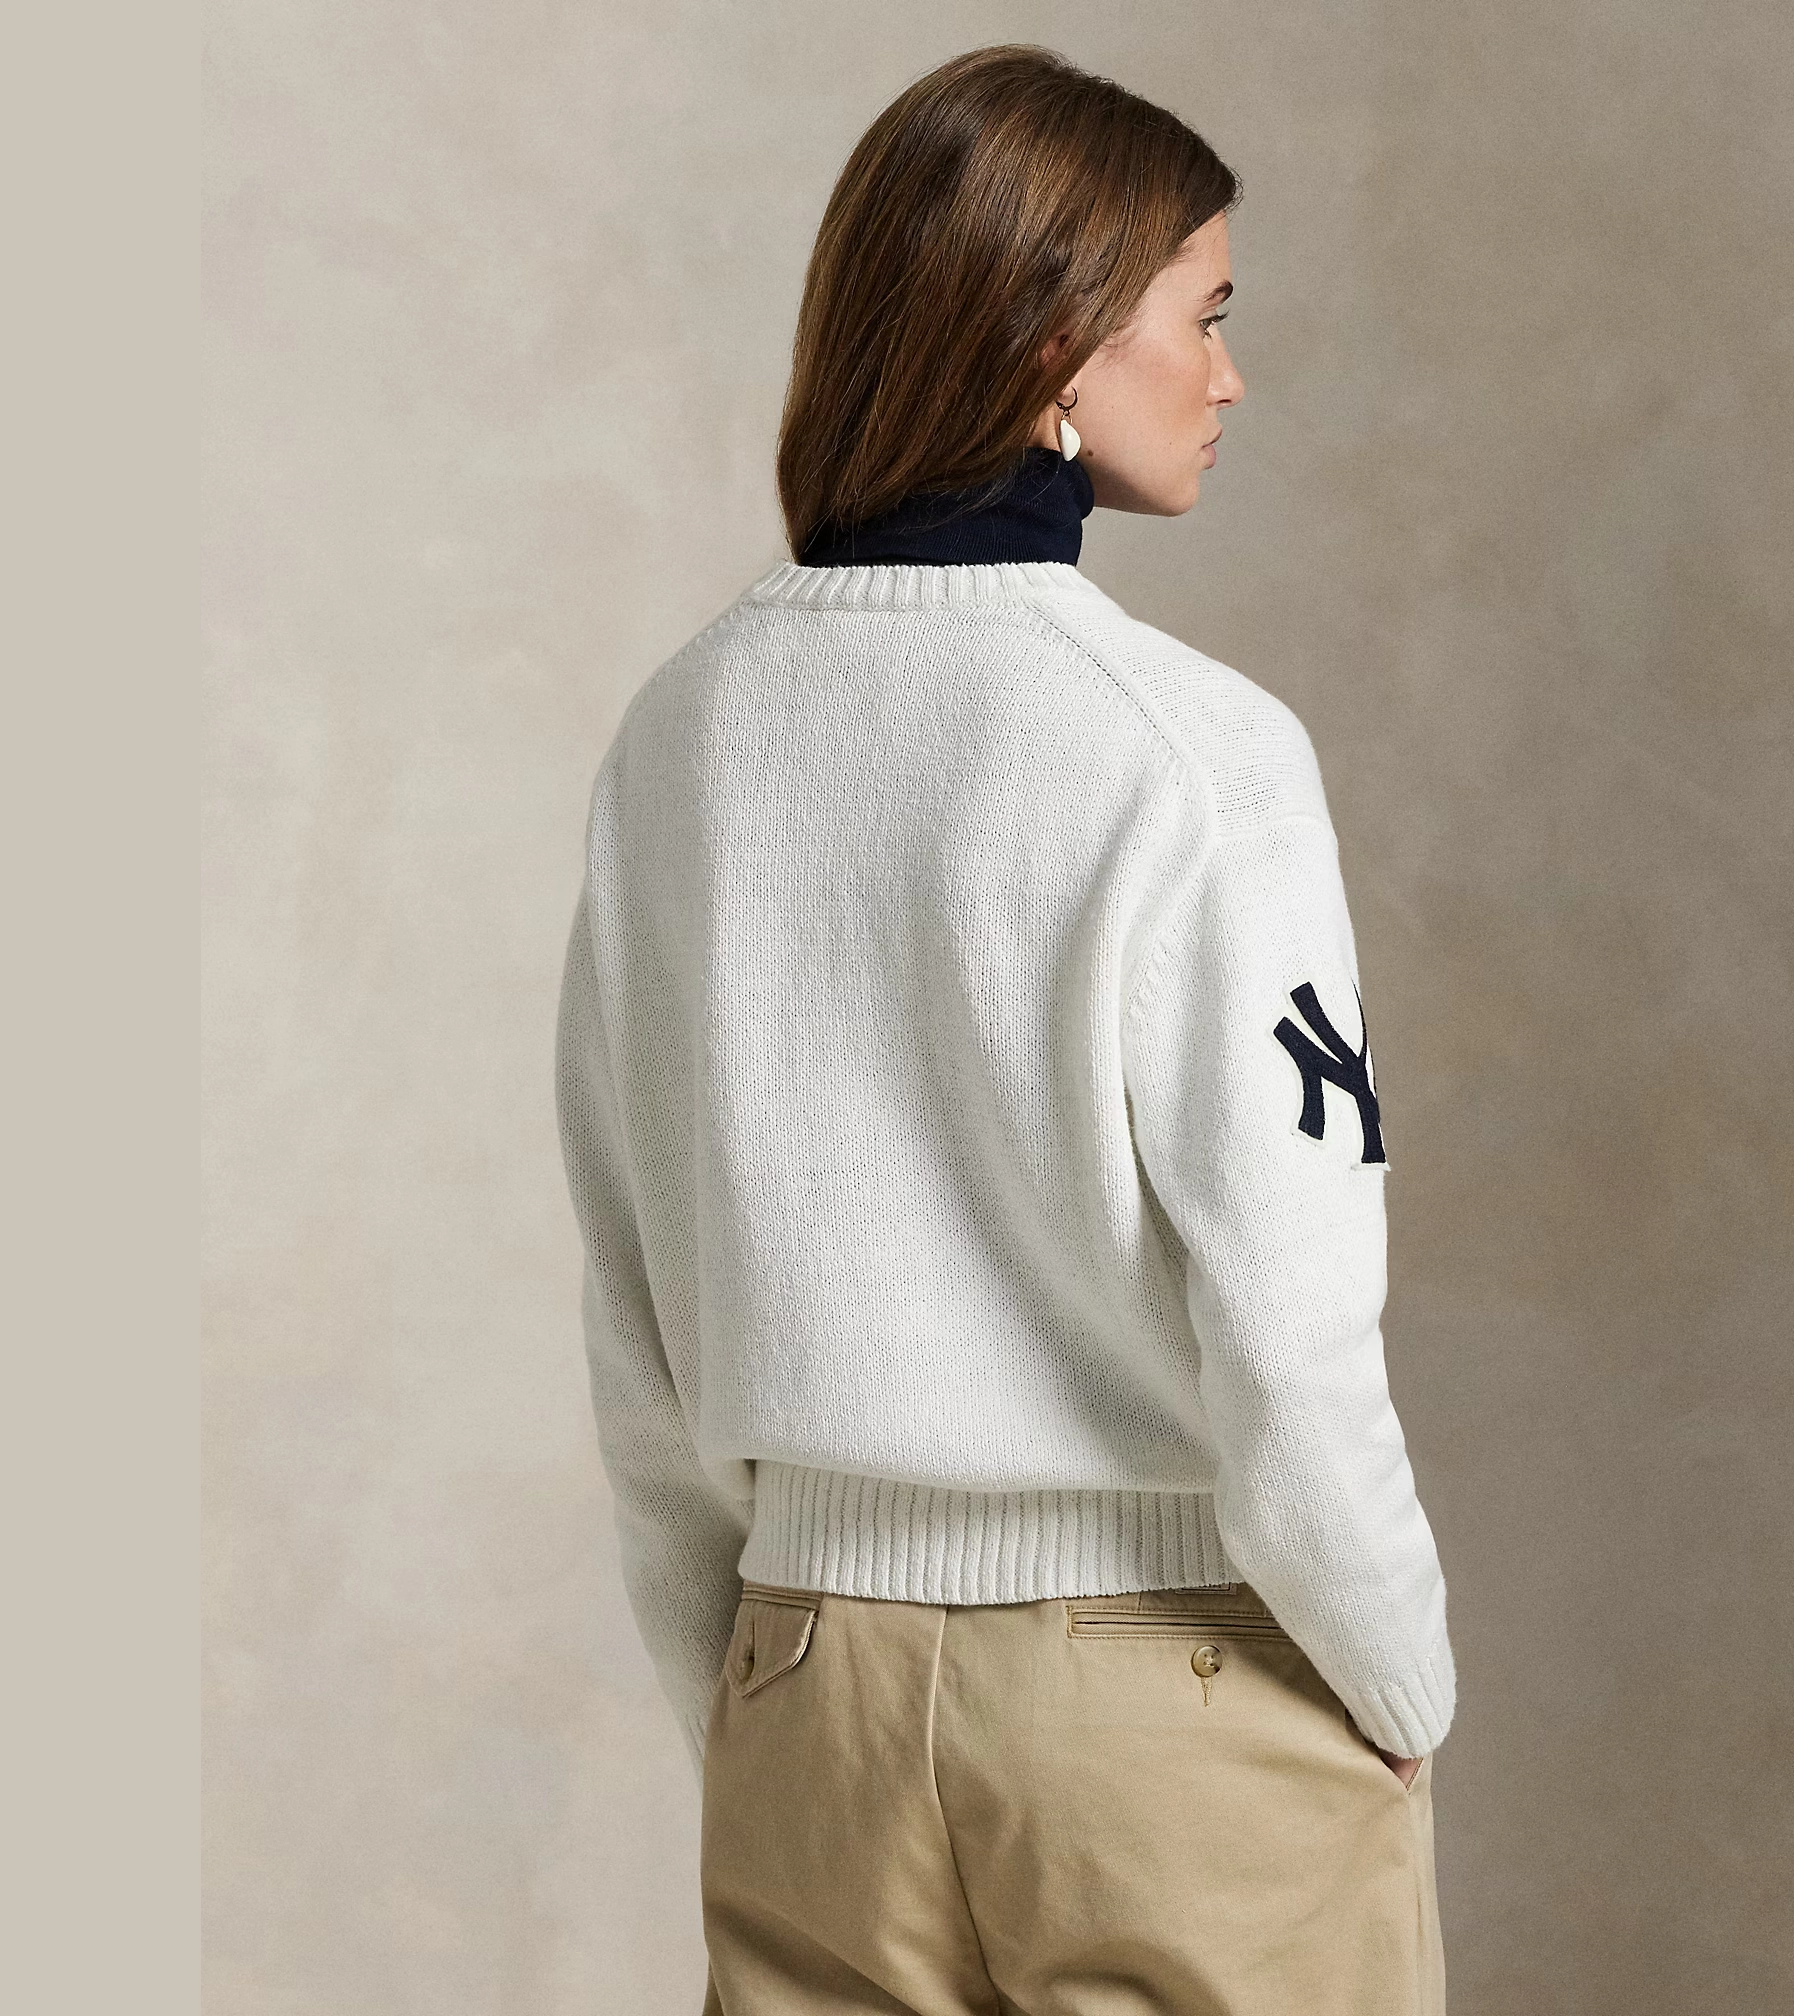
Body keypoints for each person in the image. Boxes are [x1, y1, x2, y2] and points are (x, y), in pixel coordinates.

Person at [555, 43, 1455, 2016]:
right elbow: (1291, 1315)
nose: (1231, 376)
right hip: (1172, 1707)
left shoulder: (682, 737)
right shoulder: (1187, 753)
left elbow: (634, 1299)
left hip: (811, 1696)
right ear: (1055, 342)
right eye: (1203, 317)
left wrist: (750, 1693)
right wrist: (1398, 1680)